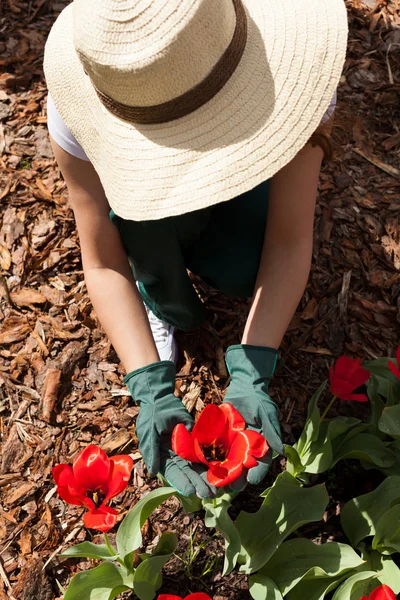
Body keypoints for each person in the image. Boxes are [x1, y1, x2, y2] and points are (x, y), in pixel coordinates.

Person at [44, 0, 348, 498]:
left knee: (245, 267)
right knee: (142, 237)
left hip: (250, 167)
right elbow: (101, 258)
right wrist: (149, 384)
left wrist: (254, 365)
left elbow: (290, 237)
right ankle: (159, 295)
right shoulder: (79, 108)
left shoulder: (299, 78)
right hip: (147, 212)